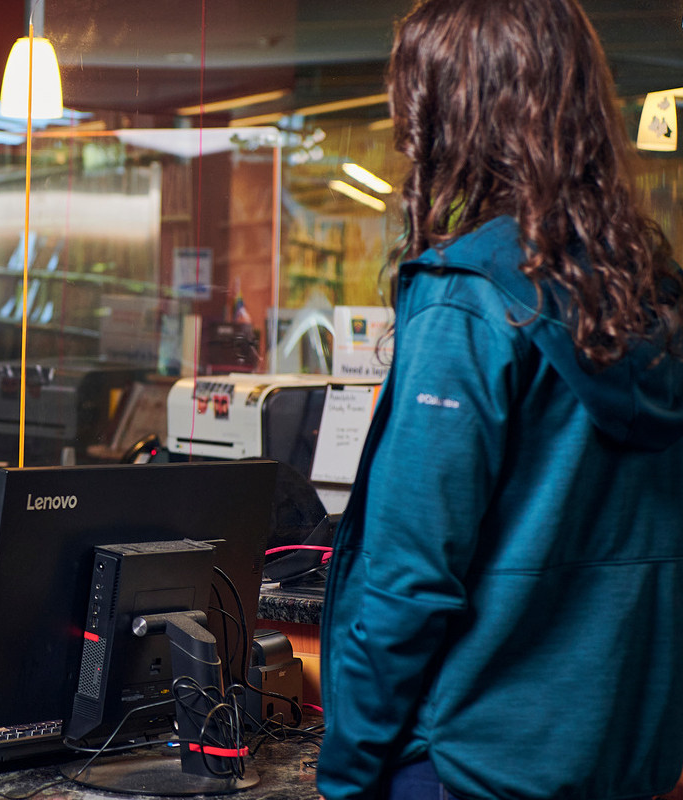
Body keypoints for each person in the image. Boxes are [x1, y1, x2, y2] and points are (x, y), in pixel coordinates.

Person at [317, 1, 683, 798]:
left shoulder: (468, 301)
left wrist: (344, 778)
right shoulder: (651, 301)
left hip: (468, 764)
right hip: (622, 762)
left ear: (447, 111)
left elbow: (409, 582)